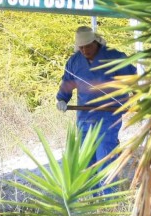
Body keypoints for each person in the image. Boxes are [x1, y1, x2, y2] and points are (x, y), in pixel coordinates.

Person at [56, 26, 136, 182]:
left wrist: (137, 99)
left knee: (105, 156)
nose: (85, 50)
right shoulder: (74, 61)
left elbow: (133, 78)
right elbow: (67, 82)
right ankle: (91, 200)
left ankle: (108, 201)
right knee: (87, 160)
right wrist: (62, 99)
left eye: (88, 46)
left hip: (109, 117)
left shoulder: (114, 57)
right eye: (81, 47)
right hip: (85, 117)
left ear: (96, 43)